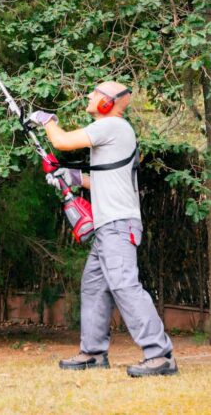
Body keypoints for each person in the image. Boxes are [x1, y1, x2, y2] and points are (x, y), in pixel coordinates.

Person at [28, 82, 177, 378]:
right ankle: (93, 353)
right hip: (107, 224)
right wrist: (70, 177)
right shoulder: (113, 134)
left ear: (109, 103)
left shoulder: (113, 126)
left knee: (124, 285)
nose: (89, 96)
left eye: (95, 94)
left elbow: (62, 143)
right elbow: (101, 182)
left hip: (118, 225)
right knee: (94, 286)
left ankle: (160, 355)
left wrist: (47, 121)